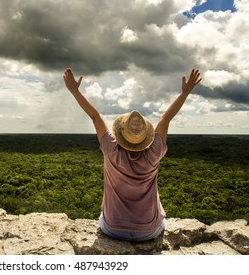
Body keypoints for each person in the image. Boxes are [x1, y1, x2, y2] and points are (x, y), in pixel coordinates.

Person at [63, 68, 202, 241]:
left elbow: (95, 116)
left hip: (112, 228)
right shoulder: (154, 152)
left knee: (102, 214)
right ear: (146, 136)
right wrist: (185, 92)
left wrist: (74, 91)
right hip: (149, 230)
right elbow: (166, 119)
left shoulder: (110, 149)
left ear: (120, 133)